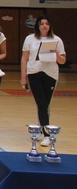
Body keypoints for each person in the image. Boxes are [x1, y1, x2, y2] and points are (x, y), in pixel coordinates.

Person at [20, 15, 66, 147]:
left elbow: (62, 61)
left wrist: (56, 53)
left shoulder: (57, 40)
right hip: (34, 73)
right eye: (41, 23)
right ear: (38, 26)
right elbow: (24, 59)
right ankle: (46, 134)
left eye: (47, 23)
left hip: (50, 74)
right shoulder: (30, 39)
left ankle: (42, 129)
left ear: (50, 26)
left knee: (45, 104)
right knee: (41, 103)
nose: (44, 26)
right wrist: (23, 77)